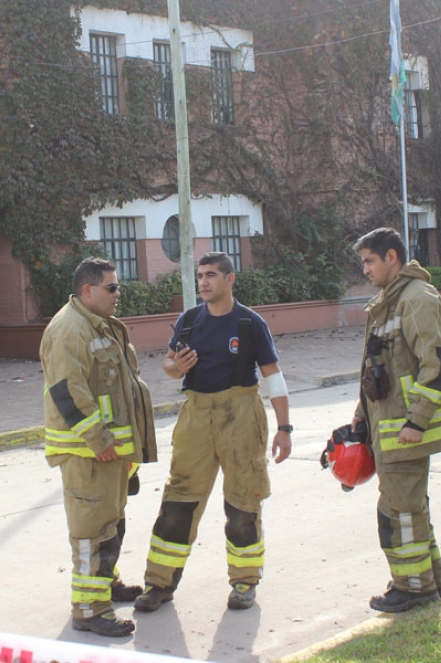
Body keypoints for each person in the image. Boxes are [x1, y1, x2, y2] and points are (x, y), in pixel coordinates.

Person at [134, 251, 292, 613]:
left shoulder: (250, 323)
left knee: (242, 502)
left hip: (241, 416)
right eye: (200, 276)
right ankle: (158, 584)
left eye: (210, 275)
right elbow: (169, 364)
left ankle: (244, 582)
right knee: (178, 501)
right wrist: (177, 366)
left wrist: (284, 429)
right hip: (196, 417)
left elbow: (273, 376)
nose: (203, 282)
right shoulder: (189, 320)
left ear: (229, 279)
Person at [351, 227, 441, 613]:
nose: (365, 269)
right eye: (363, 262)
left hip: (405, 433)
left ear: (391, 258)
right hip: (390, 430)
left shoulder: (416, 299)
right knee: (411, 509)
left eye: (370, 261)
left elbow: (437, 365)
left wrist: (416, 422)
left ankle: (414, 589)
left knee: (398, 512)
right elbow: (377, 368)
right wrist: (360, 419)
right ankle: (427, 583)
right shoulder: (390, 300)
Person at [39, 257, 158, 637]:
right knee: (92, 532)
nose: (118, 294)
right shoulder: (68, 330)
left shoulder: (97, 325)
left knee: (110, 523)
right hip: (89, 454)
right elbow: (67, 391)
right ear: (87, 290)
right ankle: (89, 610)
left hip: (110, 454)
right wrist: (100, 440)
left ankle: (107, 585)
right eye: (112, 287)